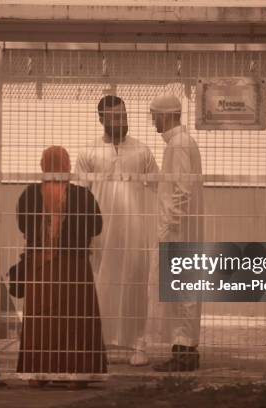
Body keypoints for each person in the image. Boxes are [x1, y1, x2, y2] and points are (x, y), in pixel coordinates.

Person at [13, 146, 107, 388]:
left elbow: (23, 224)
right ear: (67, 167)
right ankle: (76, 373)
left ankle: (38, 373)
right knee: (74, 319)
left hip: (40, 266)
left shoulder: (30, 194)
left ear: (43, 166)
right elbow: (96, 226)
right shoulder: (82, 196)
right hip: (74, 266)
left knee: (42, 320)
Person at [75, 95, 158, 366]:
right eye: (114, 116)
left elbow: (159, 187)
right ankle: (98, 344)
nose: (121, 120)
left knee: (136, 288)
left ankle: (139, 345)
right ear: (101, 119)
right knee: (100, 288)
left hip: (135, 234)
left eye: (124, 115)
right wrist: (82, 235)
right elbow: (79, 196)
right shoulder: (88, 152)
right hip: (100, 236)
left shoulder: (142, 151)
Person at [148, 94, 204, 372]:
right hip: (181, 229)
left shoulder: (178, 145)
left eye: (155, 115)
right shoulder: (180, 143)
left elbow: (181, 189)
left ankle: (183, 351)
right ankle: (185, 349)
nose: (153, 121)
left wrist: (171, 225)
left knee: (182, 292)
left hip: (179, 231)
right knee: (185, 291)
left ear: (166, 115)